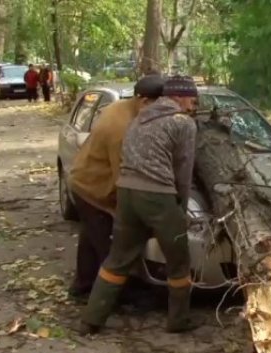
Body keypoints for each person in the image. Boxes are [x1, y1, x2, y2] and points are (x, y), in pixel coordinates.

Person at [78, 75, 200, 336]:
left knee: (118, 258)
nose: (194, 104)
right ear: (178, 97)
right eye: (191, 98)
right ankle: (178, 321)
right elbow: (183, 168)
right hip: (157, 195)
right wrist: (180, 205)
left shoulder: (138, 118)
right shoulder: (183, 123)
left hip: (127, 193)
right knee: (178, 259)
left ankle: (91, 319)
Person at [66, 74, 166, 303]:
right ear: (144, 101)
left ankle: (82, 286)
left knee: (90, 240)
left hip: (86, 181)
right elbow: (125, 178)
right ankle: (115, 297)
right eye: (158, 107)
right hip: (93, 190)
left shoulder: (121, 107)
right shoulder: (122, 129)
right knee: (111, 249)